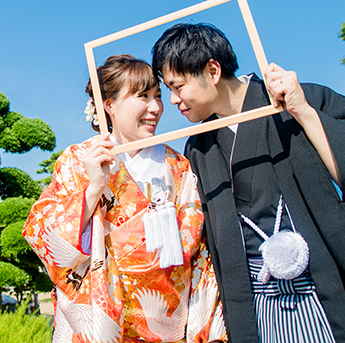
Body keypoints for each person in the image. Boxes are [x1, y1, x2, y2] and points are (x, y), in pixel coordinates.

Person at [151, 23, 345, 343]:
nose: (173, 100)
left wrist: (304, 113)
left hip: (327, 294)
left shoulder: (298, 101)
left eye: (178, 86)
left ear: (212, 70)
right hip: (257, 307)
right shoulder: (199, 146)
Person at [23, 54, 227, 343]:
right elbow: (43, 234)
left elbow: (200, 251)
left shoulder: (178, 167)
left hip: (167, 325)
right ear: (109, 105)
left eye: (158, 96)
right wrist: (93, 189)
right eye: (143, 96)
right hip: (100, 322)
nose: (155, 107)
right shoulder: (78, 161)